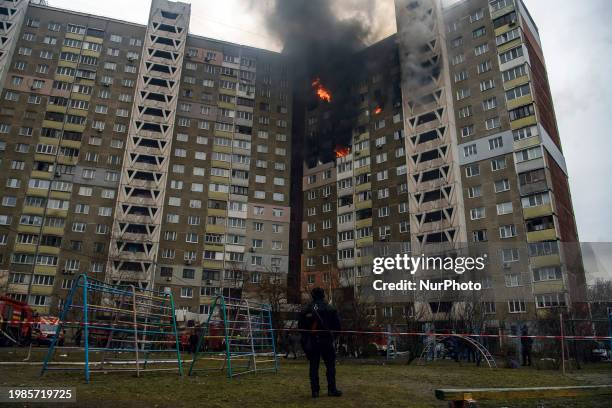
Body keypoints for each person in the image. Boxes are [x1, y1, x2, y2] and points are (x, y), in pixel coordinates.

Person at [298, 287, 342, 398]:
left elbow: (301, 328)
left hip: (312, 341)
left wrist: (306, 340)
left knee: (313, 366)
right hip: (326, 340)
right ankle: (332, 390)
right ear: (323, 295)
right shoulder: (330, 308)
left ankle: (315, 391)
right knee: (330, 366)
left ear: (312, 296)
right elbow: (338, 327)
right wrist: (334, 338)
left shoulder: (306, 309)